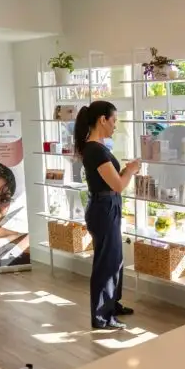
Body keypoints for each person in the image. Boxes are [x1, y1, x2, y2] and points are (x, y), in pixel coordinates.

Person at [74, 101, 140, 329]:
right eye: (114, 120)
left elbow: (111, 181)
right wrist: (130, 170)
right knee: (107, 263)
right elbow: (118, 184)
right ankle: (102, 316)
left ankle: (112, 304)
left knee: (115, 259)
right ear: (103, 120)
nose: (115, 125)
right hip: (103, 208)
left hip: (106, 205)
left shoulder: (97, 148)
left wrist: (126, 171)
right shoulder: (95, 150)